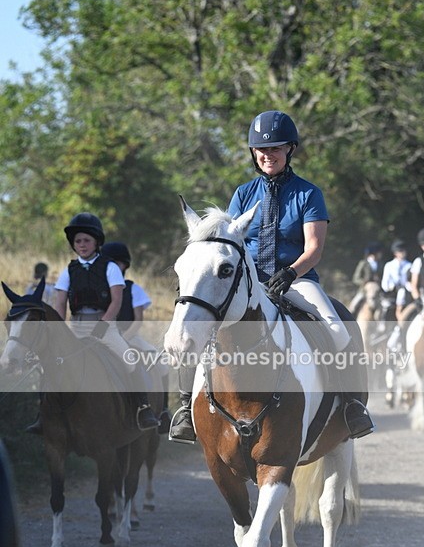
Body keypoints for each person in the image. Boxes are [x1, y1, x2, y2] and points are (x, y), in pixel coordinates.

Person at [169, 109, 375, 443]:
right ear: (253, 153)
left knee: (338, 328)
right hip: (248, 283)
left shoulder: (308, 194)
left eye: (276, 148)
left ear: (290, 149)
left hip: (296, 280)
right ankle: (185, 410)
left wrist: (291, 273)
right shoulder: (242, 194)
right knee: (197, 323)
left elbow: (314, 249)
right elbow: (228, 244)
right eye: (262, 150)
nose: (268, 155)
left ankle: (351, 405)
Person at [26, 213, 159, 434]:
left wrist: (104, 324)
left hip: (105, 326)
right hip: (75, 326)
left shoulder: (110, 267)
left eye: (86, 240)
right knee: (48, 364)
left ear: (96, 242)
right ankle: (44, 415)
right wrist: (58, 330)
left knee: (129, 359)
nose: (82, 245)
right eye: (78, 241)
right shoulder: (69, 270)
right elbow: (60, 303)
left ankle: (142, 408)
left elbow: (116, 300)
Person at [100, 241, 172, 432]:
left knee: (161, 363)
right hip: (100, 336)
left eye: (116, 263)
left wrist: (124, 337)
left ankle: (164, 410)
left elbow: (138, 320)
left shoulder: (133, 289)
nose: (111, 267)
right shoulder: (98, 290)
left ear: (124, 265)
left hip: (129, 336)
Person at [348, 241, 384, 316]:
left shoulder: (380, 264)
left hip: (377, 290)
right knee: (353, 306)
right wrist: (364, 282)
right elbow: (356, 278)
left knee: (384, 306)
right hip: (364, 290)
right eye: (379, 252)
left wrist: (378, 281)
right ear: (374, 253)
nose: (381, 254)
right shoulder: (363, 263)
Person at [380, 239, 412, 321]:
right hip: (391, 293)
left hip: (405, 292)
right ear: (395, 253)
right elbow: (385, 282)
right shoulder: (389, 265)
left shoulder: (409, 265)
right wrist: (391, 287)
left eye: (403, 251)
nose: (402, 253)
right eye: (400, 251)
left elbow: (409, 281)